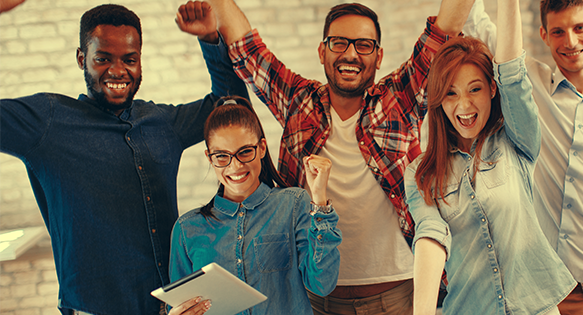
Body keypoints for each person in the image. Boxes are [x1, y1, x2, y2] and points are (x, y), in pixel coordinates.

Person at [179, 0, 473, 313]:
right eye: (339, 43)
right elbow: (248, 50)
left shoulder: (398, 99)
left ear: (379, 55)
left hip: (396, 295)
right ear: (322, 52)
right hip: (316, 300)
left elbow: (444, 31)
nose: (350, 54)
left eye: (363, 45)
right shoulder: (298, 101)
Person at [0, 1, 248, 314]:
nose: (118, 71)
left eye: (129, 59)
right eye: (103, 58)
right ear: (82, 58)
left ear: (140, 61)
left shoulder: (160, 122)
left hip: (170, 309)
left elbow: (233, 109)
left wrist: (211, 40)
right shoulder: (47, 124)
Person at [463, 0, 583, 314]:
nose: (570, 41)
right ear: (544, 34)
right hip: (552, 296)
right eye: (558, 31)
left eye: (579, 27)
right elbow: (475, 24)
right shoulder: (529, 86)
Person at [405, 0, 572, 314]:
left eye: (475, 89)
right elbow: (431, 236)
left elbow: (512, 74)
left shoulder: (515, 139)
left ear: (492, 90)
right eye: (451, 93)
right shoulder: (421, 173)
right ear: (439, 99)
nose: (464, 106)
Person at [166, 96, 342, 315]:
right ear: (209, 158)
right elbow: (179, 303)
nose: (236, 165)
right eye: (222, 156)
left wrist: (319, 200)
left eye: (245, 151)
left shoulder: (294, 204)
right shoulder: (186, 229)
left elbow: (322, 284)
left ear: (261, 148)